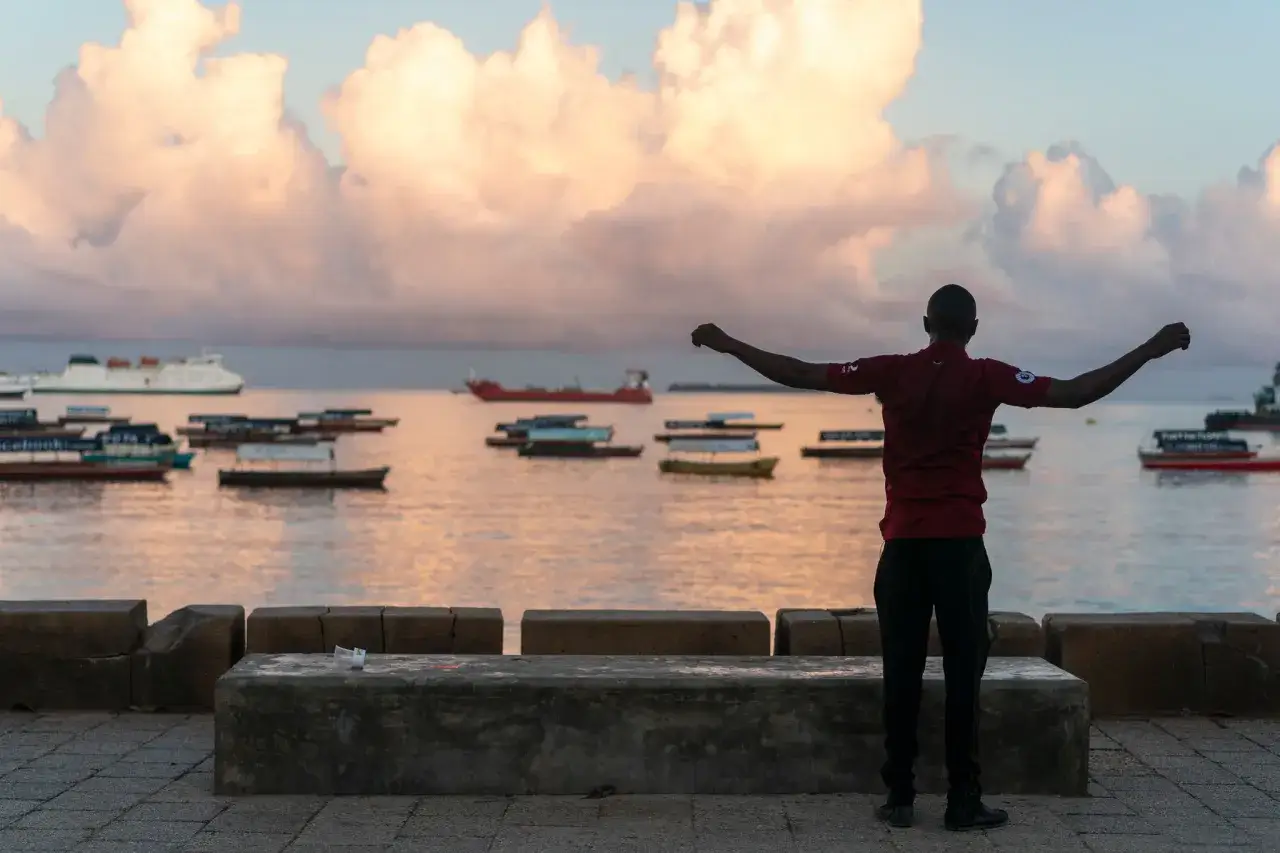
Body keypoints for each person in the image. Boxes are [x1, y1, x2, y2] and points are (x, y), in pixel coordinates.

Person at [690, 284, 1190, 831]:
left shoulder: (891, 372)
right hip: (959, 548)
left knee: (900, 671)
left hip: (902, 548)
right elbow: (1074, 393)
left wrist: (729, 343)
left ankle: (900, 797)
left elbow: (802, 372)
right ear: (972, 329)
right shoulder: (985, 376)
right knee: (963, 674)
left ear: (925, 321)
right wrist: (1150, 348)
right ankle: (961, 800)